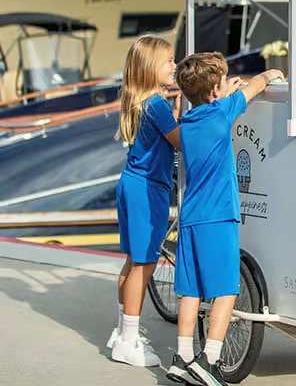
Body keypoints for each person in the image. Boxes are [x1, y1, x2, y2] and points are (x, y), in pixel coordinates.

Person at [166, 52, 283, 386]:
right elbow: (257, 85)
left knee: (191, 290)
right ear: (216, 91)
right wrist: (270, 73)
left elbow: (222, 97)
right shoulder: (221, 112)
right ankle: (210, 360)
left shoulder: (189, 121)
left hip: (191, 215)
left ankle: (182, 356)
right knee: (225, 289)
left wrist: (222, 88)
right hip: (218, 215)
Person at [109, 35, 181, 367]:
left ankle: (123, 329)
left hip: (131, 184)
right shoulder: (156, 105)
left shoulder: (140, 99)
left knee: (131, 261)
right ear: (152, 67)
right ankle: (128, 340)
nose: (174, 65)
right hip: (147, 189)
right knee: (145, 264)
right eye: (169, 61)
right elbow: (180, 142)